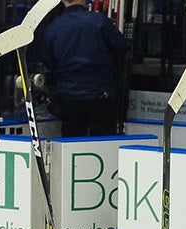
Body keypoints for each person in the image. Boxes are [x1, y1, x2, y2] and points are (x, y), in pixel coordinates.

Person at [28, 0, 128, 137]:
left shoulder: (54, 28)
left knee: (71, 145)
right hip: (100, 96)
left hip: (69, 98)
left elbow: (48, 61)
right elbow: (122, 47)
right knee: (104, 144)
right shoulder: (100, 21)